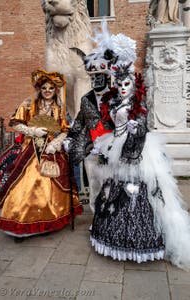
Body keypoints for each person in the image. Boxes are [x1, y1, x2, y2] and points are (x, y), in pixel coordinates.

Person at [89, 29, 190, 270]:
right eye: (119, 84)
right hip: (116, 147)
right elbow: (109, 124)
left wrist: (136, 131)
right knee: (112, 190)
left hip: (138, 152)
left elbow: (143, 127)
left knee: (138, 190)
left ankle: (144, 240)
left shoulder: (138, 104)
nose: (123, 87)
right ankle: (111, 234)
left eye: (127, 84)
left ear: (134, 85)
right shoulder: (113, 102)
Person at [0, 69, 82, 239]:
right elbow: (15, 123)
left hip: (53, 150)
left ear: (55, 90)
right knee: (30, 181)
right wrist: (31, 130)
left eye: (51, 88)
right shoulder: (28, 104)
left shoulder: (58, 107)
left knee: (53, 182)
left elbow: (64, 130)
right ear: (39, 90)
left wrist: (56, 143)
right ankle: (22, 220)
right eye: (44, 88)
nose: (48, 91)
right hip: (31, 148)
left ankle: (51, 220)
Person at [65, 50, 117, 213]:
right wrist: (70, 137)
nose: (95, 80)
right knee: (94, 184)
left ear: (106, 76)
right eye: (92, 77)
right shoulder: (86, 99)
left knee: (111, 183)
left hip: (112, 147)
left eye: (98, 76)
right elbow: (80, 120)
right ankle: (97, 216)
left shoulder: (116, 97)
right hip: (92, 147)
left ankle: (112, 216)